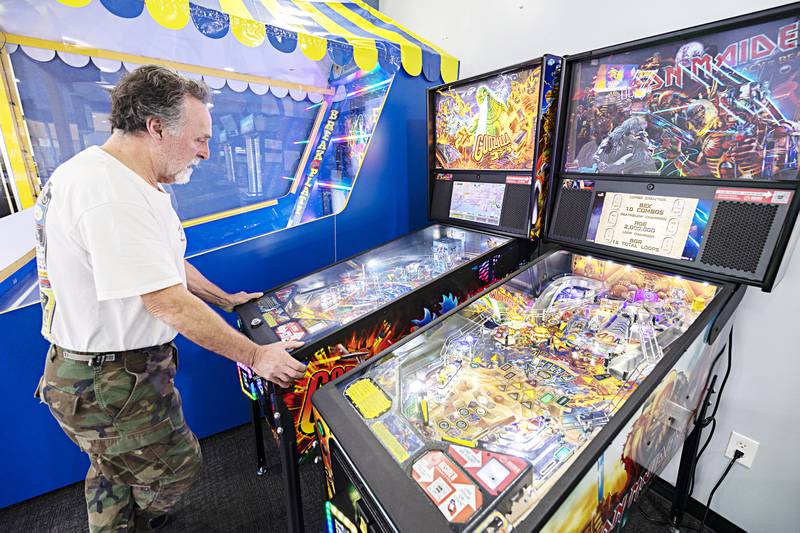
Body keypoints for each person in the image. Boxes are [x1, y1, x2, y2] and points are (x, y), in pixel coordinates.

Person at [33, 65, 306, 532]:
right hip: (109, 379)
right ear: (156, 127)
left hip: (101, 375)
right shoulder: (112, 194)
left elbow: (164, 265)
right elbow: (165, 302)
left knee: (113, 467)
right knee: (175, 467)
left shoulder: (115, 175)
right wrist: (256, 354)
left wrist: (224, 298)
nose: (207, 150)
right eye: (199, 138)